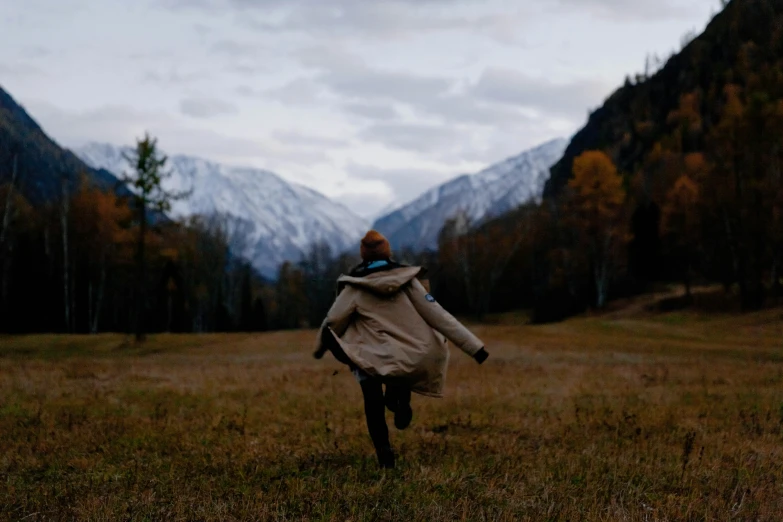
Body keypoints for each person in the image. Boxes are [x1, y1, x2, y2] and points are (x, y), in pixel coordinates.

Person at [313, 230, 489, 469]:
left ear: (363, 256)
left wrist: (321, 348)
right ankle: (399, 398)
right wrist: (475, 348)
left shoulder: (354, 289)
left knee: (372, 400)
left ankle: (384, 452)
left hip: (371, 357)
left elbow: (332, 323)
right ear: (388, 253)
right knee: (398, 369)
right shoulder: (410, 283)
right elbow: (440, 317)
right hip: (411, 355)